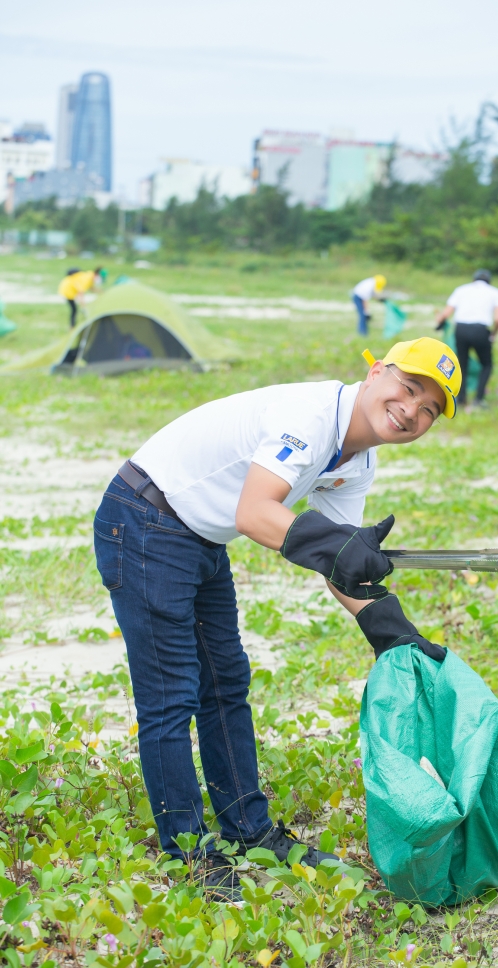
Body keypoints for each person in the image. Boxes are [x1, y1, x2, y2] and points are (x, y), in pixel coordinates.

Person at [94, 337, 461, 902]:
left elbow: (341, 564)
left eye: (430, 410)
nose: (412, 410)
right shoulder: (311, 418)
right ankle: (188, 852)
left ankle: (249, 830)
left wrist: (396, 635)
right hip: (145, 518)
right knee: (172, 694)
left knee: (226, 685)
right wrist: (333, 548)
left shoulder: (358, 461)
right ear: (376, 372)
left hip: (197, 535)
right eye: (408, 388)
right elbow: (256, 512)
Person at [435, 269, 498, 407]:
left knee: (462, 364)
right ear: (489, 281)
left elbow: (445, 313)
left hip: (461, 329)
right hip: (480, 330)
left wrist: (440, 322)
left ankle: (461, 399)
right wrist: (494, 334)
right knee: (486, 364)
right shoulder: (495, 292)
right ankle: (478, 398)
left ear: (474, 279)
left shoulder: (461, 290)